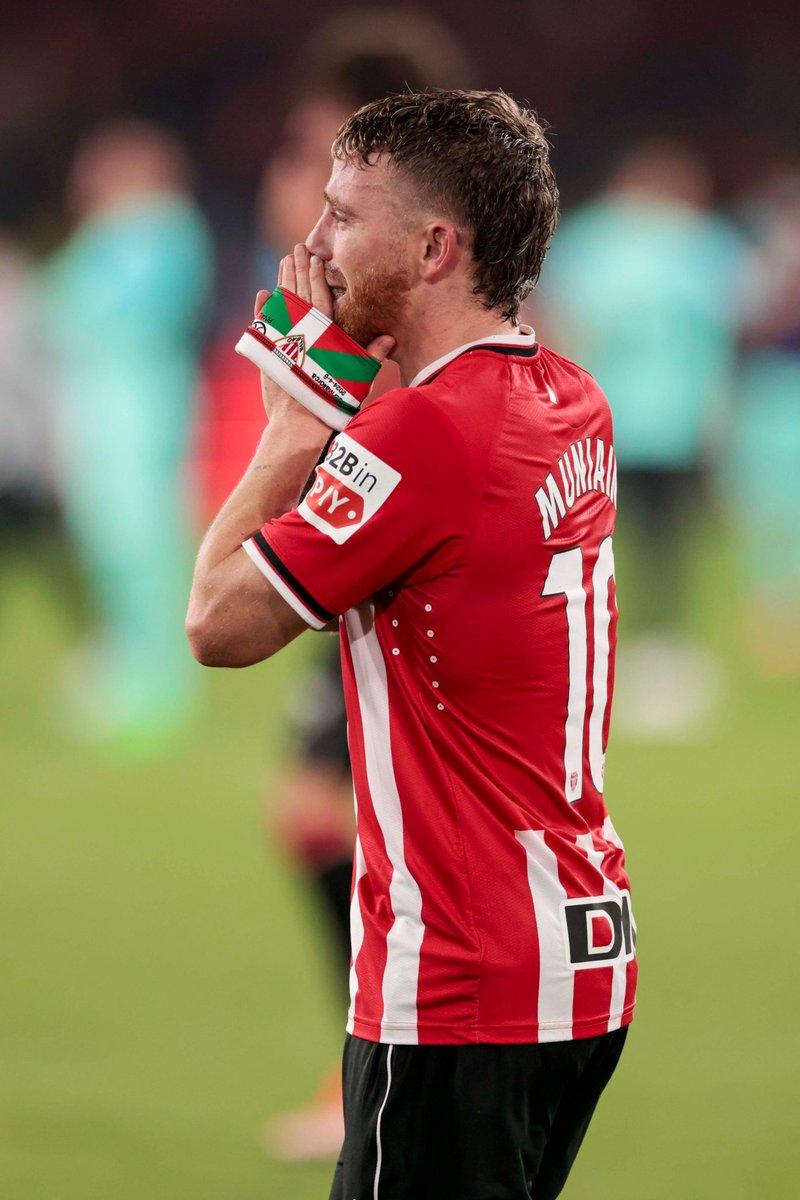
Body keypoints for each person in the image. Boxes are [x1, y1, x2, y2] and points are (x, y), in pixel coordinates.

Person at [187, 90, 637, 1200]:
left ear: (434, 248)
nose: (312, 244)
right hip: (578, 955)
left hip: (458, 982)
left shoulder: (421, 435)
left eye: (343, 216)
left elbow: (217, 621)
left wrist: (295, 426)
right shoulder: (570, 396)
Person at [541, 140, 746, 736]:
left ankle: (612, 655)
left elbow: (559, 323)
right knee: (664, 545)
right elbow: (733, 324)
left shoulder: (592, 240)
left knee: (604, 546)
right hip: (671, 420)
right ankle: (657, 658)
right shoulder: (700, 242)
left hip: (612, 419)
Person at [45, 119, 213, 755]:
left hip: (136, 402)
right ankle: (125, 661)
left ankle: (156, 680)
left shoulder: (158, 232)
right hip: (99, 399)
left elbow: (88, 314)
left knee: (138, 536)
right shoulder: (117, 236)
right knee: (106, 536)